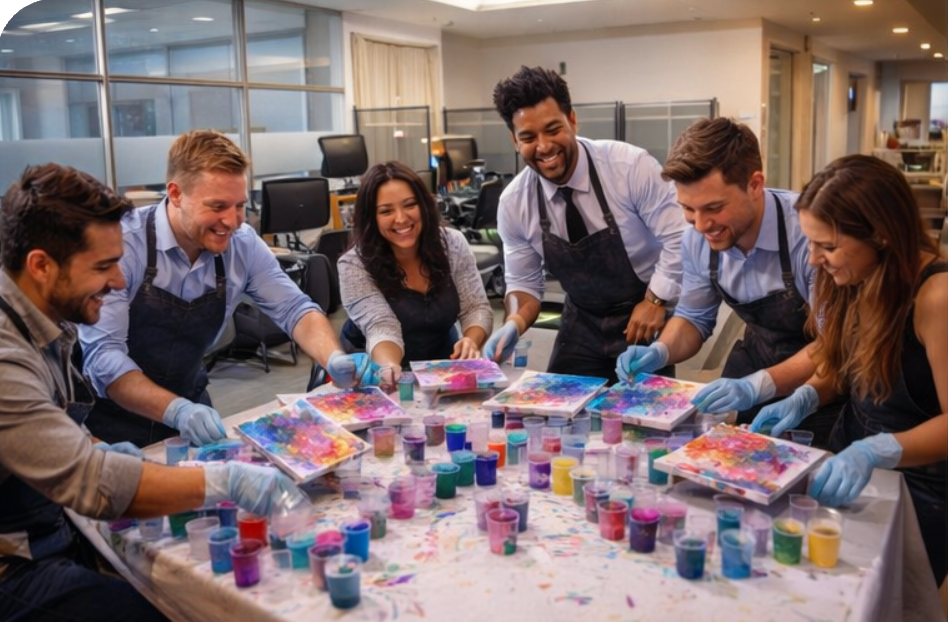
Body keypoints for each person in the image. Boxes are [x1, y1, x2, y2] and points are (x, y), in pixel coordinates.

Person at [0, 163, 306, 621]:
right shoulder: (6, 354)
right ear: (41, 265)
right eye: (103, 267)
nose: (120, 281)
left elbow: (47, 425)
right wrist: (226, 482)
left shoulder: (46, 314)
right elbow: (90, 481)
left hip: (45, 524)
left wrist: (94, 444)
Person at [79, 130, 370, 448]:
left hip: (192, 406)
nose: (231, 221)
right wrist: (176, 411)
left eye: (240, 206)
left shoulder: (241, 244)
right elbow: (104, 357)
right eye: (217, 206)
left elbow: (294, 309)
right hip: (111, 422)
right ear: (176, 194)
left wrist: (334, 358)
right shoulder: (125, 245)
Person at [749, 155, 946, 583]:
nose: (815, 260)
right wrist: (806, 395)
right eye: (810, 244)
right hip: (849, 458)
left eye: (828, 246)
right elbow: (846, 363)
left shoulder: (937, 298)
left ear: (881, 236)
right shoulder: (858, 275)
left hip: (919, 488)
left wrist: (877, 450)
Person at [615, 117, 839, 442]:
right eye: (688, 209)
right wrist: (661, 350)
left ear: (755, 184)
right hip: (753, 363)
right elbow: (694, 318)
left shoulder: (807, 235)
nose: (702, 224)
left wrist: (761, 384)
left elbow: (834, 342)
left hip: (821, 379)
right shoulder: (696, 240)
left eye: (714, 208)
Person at [484, 66, 686, 383]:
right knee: (557, 415)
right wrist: (512, 322)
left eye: (553, 129)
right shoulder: (514, 203)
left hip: (642, 315)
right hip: (581, 321)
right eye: (528, 137)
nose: (544, 146)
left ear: (573, 120)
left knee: (643, 420)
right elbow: (523, 284)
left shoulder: (629, 167)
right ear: (514, 140)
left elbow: (681, 239)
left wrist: (656, 300)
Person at [338, 162, 493, 372]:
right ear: (371, 219)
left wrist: (471, 341)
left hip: (440, 361)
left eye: (410, 205)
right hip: (373, 365)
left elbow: (475, 308)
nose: (401, 218)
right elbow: (381, 326)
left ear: (424, 205)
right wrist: (389, 367)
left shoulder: (452, 244)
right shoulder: (354, 264)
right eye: (386, 211)